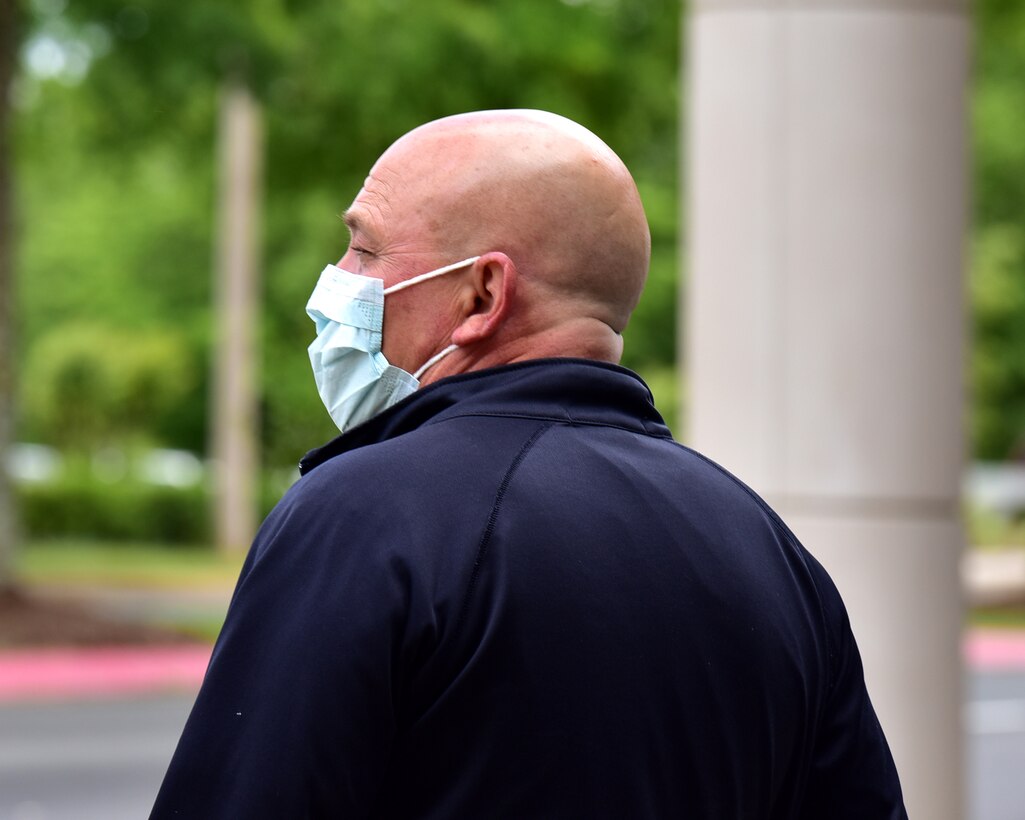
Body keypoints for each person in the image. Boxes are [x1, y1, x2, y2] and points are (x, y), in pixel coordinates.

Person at [151, 109, 907, 819]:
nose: (340, 277)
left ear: (483, 293)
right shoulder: (768, 552)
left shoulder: (364, 515)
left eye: (365, 247)